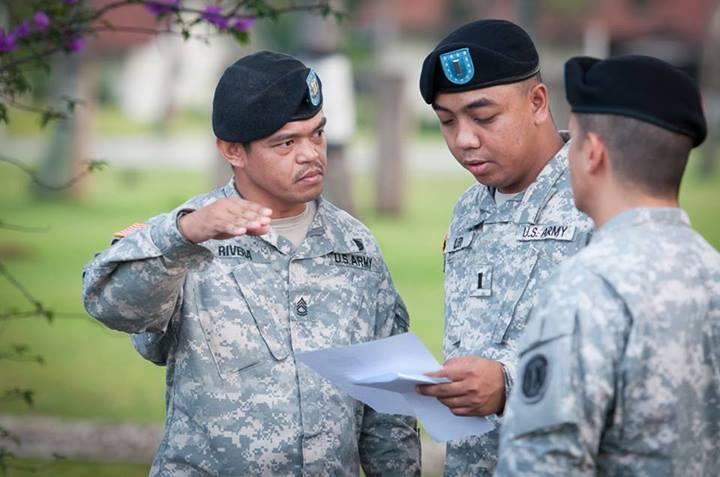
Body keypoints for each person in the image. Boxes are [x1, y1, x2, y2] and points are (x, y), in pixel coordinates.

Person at [82, 51, 421, 477]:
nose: (311, 155)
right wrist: (181, 236)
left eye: (317, 135)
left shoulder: (356, 245)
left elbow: (389, 404)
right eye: (285, 143)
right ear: (232, 151)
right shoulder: (189, 235)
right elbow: (111, 306)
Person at [496, 55, 720, 475]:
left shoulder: (586, 288)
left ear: (593, 154)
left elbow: (542, 464)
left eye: (574, 141)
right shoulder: (712, 273)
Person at [414, 19, 592, 475]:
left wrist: (511, 384)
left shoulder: (597, 201)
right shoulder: (469, 209)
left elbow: (642, 360)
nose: (464, 140)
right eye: (446, 122)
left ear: (537, 102)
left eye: (484, 117)